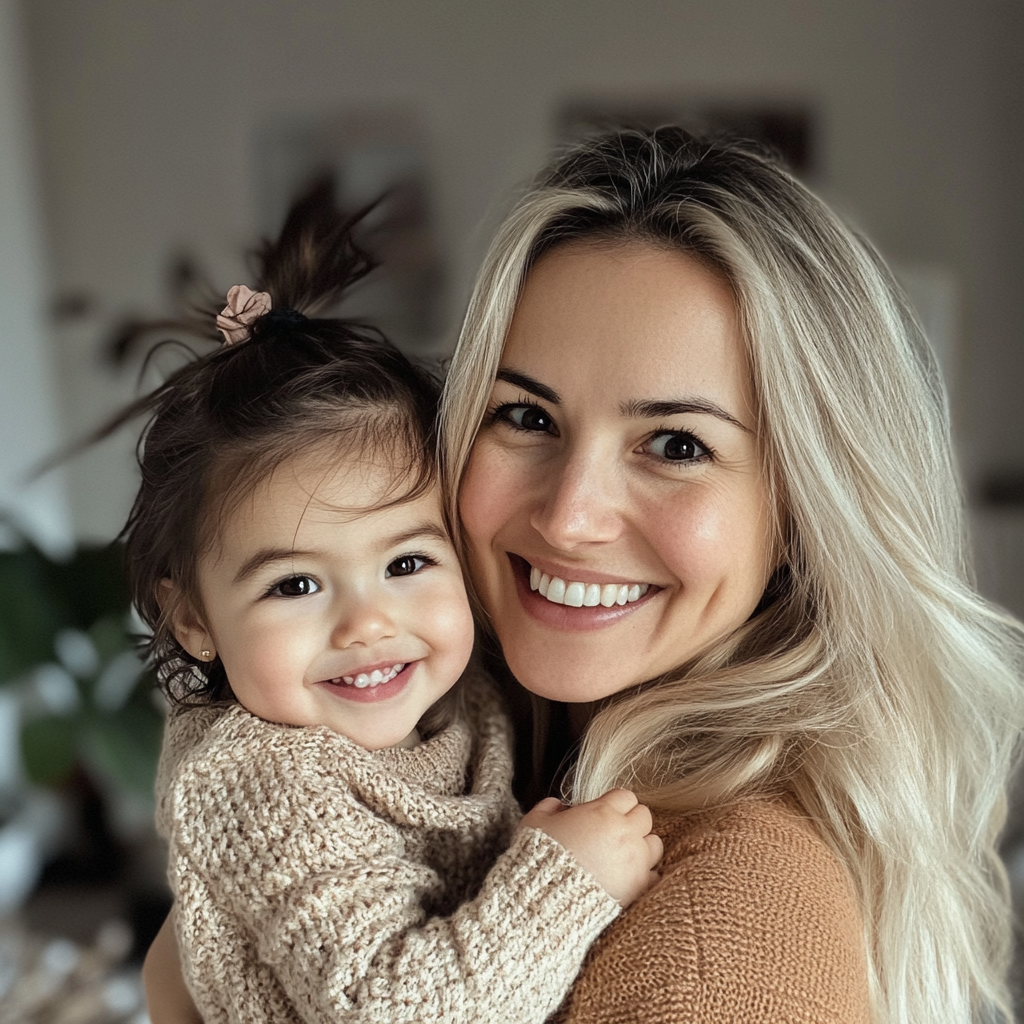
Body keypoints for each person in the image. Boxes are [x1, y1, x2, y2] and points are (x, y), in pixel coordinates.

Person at [147, 129, 1024, 1024]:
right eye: (525, 415)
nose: (569, 515)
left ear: (804, 513)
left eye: (677, 444)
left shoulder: (717, 953)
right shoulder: (456, 735)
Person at [124, 182, 661, 1024]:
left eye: (408, 561)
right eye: (295, 584)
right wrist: (566, 879)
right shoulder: (268, 779)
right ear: (190, 615)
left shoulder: (465, 693)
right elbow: (400, 1011)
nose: (369, 624)